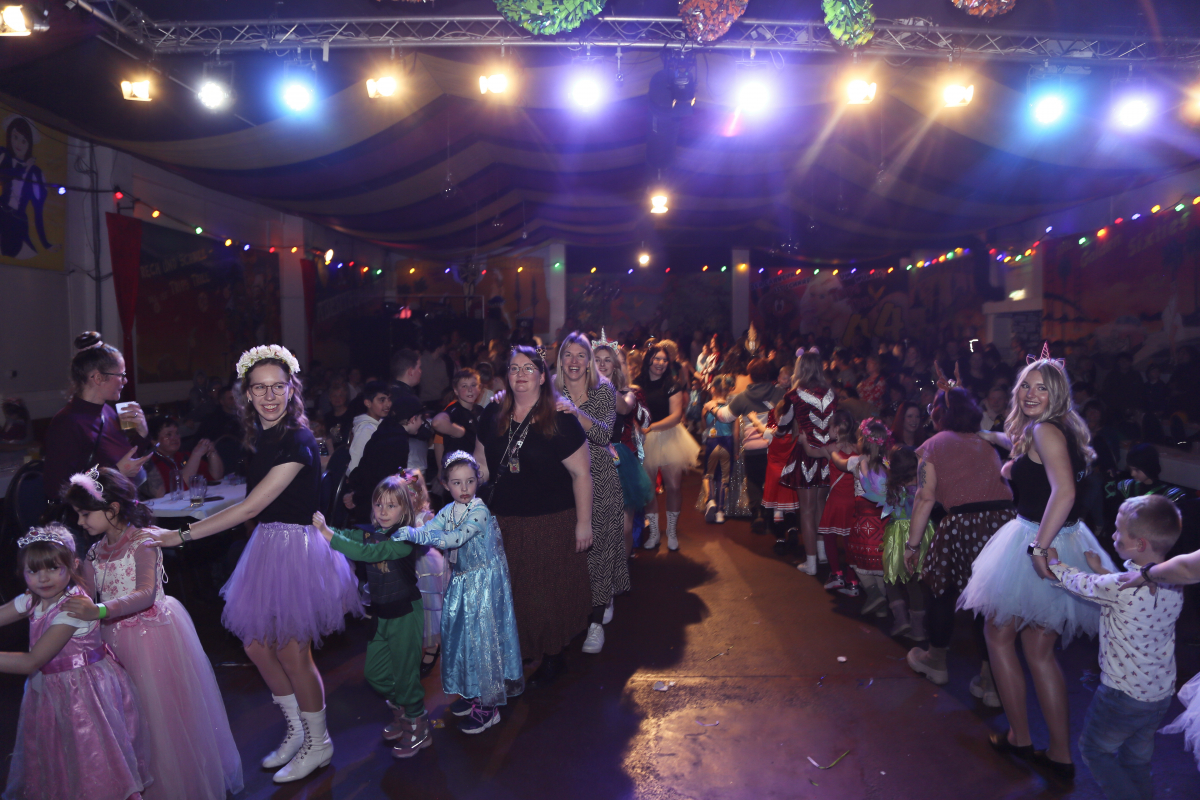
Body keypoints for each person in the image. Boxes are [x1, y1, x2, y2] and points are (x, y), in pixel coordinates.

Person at [146, 344, 362, 784]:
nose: (269, 396)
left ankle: (319, 742)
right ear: (246, 393)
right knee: (256, 645)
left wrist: (179, 535)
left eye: (277, 387)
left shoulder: (297, 439)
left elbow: (249, 508)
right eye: (259, 388)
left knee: (292, 652)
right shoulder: (261, 438)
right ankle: (298, 729)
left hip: (296, 550)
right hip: (268, 545)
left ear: (291, 390)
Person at [960, 353, 1116, 783]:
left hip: (1039, 540)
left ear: (1057, 394)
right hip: (1068, 540)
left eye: (1041, 387)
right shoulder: (1059, 428)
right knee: (1039, 651)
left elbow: (1063, 491)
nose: (1030, 394)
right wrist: (990, 438)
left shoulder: (1044, 431)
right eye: (1026, 386)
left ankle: (1020, 736)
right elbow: (1026, 452)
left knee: (997, 635)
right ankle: (1061, 754)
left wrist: (1037, 549)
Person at [64, 467, 242, 799]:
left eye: (85, 513)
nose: (80, 521)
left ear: (112, 508)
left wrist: (99, 610)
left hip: (152, 637)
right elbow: (87, 596)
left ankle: (174, 784)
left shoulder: (144, 541)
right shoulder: (93, 552)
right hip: (112, 642)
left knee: (160, 716)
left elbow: (145, 594)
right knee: (129, 716)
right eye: (77, 514)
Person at [323, 452, 524, 737]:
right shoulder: (449, 510)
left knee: (482, 641)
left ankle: (488, 705)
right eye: (456, 482)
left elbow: (454, 538)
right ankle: (473, 694)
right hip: (461, 581)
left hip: (483, 584)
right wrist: (411, 532)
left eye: (469, 481)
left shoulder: (479, 511)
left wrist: (410, 535)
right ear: (446, 484)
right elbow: (429, 528)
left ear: (478, 481)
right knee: (462, 641)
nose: (464, 488)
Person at [0, 524, 151, 800]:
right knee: (58, 757)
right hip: (49, 691)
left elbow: (31, 661)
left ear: (73, 566)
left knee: (90, 758)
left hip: (82, 693)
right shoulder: (33, 599)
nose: (43, 578)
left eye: (53, 568)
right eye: (33, 571)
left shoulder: (72, 608)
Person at [1047, 495, 1183, 800]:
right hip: (1159, 694)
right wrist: (1101, 572)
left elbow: (1081, 583)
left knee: (1094, 750)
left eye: (1119, 531)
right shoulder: (1175, 581)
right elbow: (1128, 592)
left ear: (1140, 544)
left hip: (1123, 694)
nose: (1112, 535)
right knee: (1136, 760)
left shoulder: (1119, 586)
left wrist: (1055, 564)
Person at [478, 345, 593, 688]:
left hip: (550, 521)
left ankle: (553, 655)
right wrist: (460, 482)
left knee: (545, 594)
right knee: (511, 593)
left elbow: (582, 475)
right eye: (514, 368)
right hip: (503, 520)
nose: (521, 375)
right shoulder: (493, 413)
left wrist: (583, 523)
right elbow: (481, 464)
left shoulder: (561, 419)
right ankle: (522, 651)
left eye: (529, 368)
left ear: (543, 377)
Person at [904, 387, 1014, 699]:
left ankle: (936, 661)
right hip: (1005, 523)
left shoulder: (933, 444)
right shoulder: (986, 440)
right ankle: (991, 679)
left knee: (940, 589)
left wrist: (912, 546)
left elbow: (925, 498)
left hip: (965, 523)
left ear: (940, 414)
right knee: (988, 600)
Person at [312, 475, 429, 757]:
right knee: (375, 674)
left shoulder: (404, 539)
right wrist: (323, 529)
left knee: (406, 674)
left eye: (391, 505)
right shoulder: (373, 532)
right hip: (381, 615)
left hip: (405, 613)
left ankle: (418, 725)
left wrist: (327, 534)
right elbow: (352, 536)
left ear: (404, 510)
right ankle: (403, 711)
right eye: (379, 504)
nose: (383, 511)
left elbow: (368, 552)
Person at [556, 332, 628, 654]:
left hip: (599, 477)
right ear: (561, 360)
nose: (574, 361)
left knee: (598, 549)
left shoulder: (603, 390)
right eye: (568, 355)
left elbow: (603, 434)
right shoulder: (550, 392)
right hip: (562, 481)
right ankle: (577, 610)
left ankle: (596, 622)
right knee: (571, 551)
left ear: (589, 362)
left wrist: (574, 412)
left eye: (580, 355)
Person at [43, 332, 153, 504]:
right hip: (91, 518)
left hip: (119, 509)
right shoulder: (66, 423)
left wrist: (142, 434)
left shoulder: (107, 411)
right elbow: (57, 489)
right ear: (98, 378)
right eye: (121, 375)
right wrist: (117, 472)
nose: (125, 381)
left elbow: (125, 461)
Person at [778, 349, 838, 576]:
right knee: (822, 505)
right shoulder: (831, 393)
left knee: (806, 510)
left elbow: (783, 423)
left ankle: (811, 562)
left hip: (806, 453)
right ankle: (822, 554)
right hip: (827, 454)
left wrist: (778, 431)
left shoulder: (794, 395)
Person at [638, 340, 700, 551]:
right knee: (648, 490)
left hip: (669, 436)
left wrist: (650, 427)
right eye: (657, 359)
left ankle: (672, 531)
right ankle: (654, 532)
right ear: (649, 360)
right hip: (645, 439)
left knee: (673, 486)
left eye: (665, 360)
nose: (661, 363)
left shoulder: (672, 384)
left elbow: (675, 417)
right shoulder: (638, 383)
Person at [593, 336, 654, 552]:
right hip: (592, 460)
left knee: (625, 528)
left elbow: (626, 408)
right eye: (597, 360)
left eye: (607, 360)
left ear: (615, 365)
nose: (602, 364)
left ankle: (622, 567)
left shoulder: (627, 394)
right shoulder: (582, 392)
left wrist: (604, 385)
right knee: (600, 527)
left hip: (621, 460)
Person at [879, 445, 933, 640]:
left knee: (891, 578)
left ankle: (901, 619)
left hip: (897, 535)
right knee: (915, 582)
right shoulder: (923, 487)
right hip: (921, 533)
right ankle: (918, 630)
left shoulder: (891, 488)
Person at [348, 393, 425, 522]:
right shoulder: (398, 442)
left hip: (366, 498)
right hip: (375, 510)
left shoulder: (385, 430)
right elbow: (386, 479)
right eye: (421, 418)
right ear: (413, 419)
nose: (422, 423)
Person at [814, 411, 859, 595]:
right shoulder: (858, 448)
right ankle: (853, 580)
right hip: (854, 502)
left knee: (829, 536)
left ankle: (836, 574)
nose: (828, 430)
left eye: (830, 427)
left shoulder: (831, 449)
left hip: (835, 501)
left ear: (837, 428)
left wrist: (802, 439)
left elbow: (810, 452)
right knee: (850, 542)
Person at [142, 415, 224, 499]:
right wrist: (196, 454)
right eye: (169, 434)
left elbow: (216, 477)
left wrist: (212, 451)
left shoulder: (183, 456)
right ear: (154, 441)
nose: (175, 438)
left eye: (177, 433)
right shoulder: (152, 463)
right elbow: (180, 487)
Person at [432, 368, 484, 481]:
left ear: (480, 388)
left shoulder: (480, 411)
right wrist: (459, 431)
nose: (470, 389)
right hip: (456, 470)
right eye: (464, 386)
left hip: (474, 468)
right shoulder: (454, 410)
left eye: (473, 385)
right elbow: (437, 423)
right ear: (456, 390)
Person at [700, 375, 737, 524]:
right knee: (724, 477)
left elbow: (704, 427)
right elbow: (736, 432)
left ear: (713, 389)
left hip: (712, 441)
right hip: (727, 442)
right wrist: (736, 451)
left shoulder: (706, 407)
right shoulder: (731, 409)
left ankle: (710, 500)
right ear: (728, 390)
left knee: (708, 474)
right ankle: (721, 512)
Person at [347, 379, 392, 474]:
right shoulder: (366, 430)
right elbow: (355, 465)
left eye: (389, 399)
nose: (388, 404)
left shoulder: (382, 424)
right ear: (368, 403)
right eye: (382, 400)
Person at [322, 383, 354, 450]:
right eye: (334, 396)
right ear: (330, 398)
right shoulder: (327, 417)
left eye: (341, 395)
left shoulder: (352, 415)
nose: (337, 398)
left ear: (345, 398)